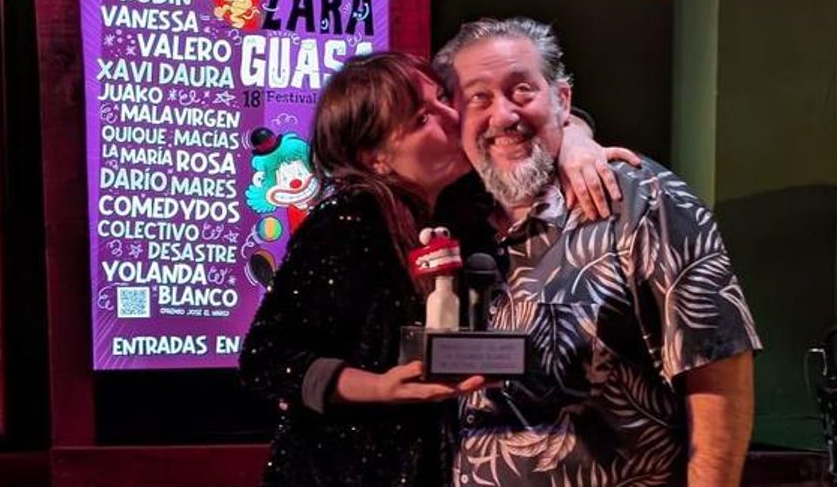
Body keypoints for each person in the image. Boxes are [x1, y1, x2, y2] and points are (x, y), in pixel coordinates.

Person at [239, 51, 633, 486]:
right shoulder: (347, 221)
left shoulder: (467, 203)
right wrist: (379, 387)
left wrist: (577, 138)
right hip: (344, 468)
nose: (452, 115)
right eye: (422, 118)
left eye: (444, 98)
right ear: (376, 157)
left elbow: (540, 118)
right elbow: (267, 357)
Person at [434, 17, 762, 486]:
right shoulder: (451, 213)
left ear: (562, 100)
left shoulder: (644, 202)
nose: (503, 115)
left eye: (522, 90)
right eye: (479, 97)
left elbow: (719, 372)